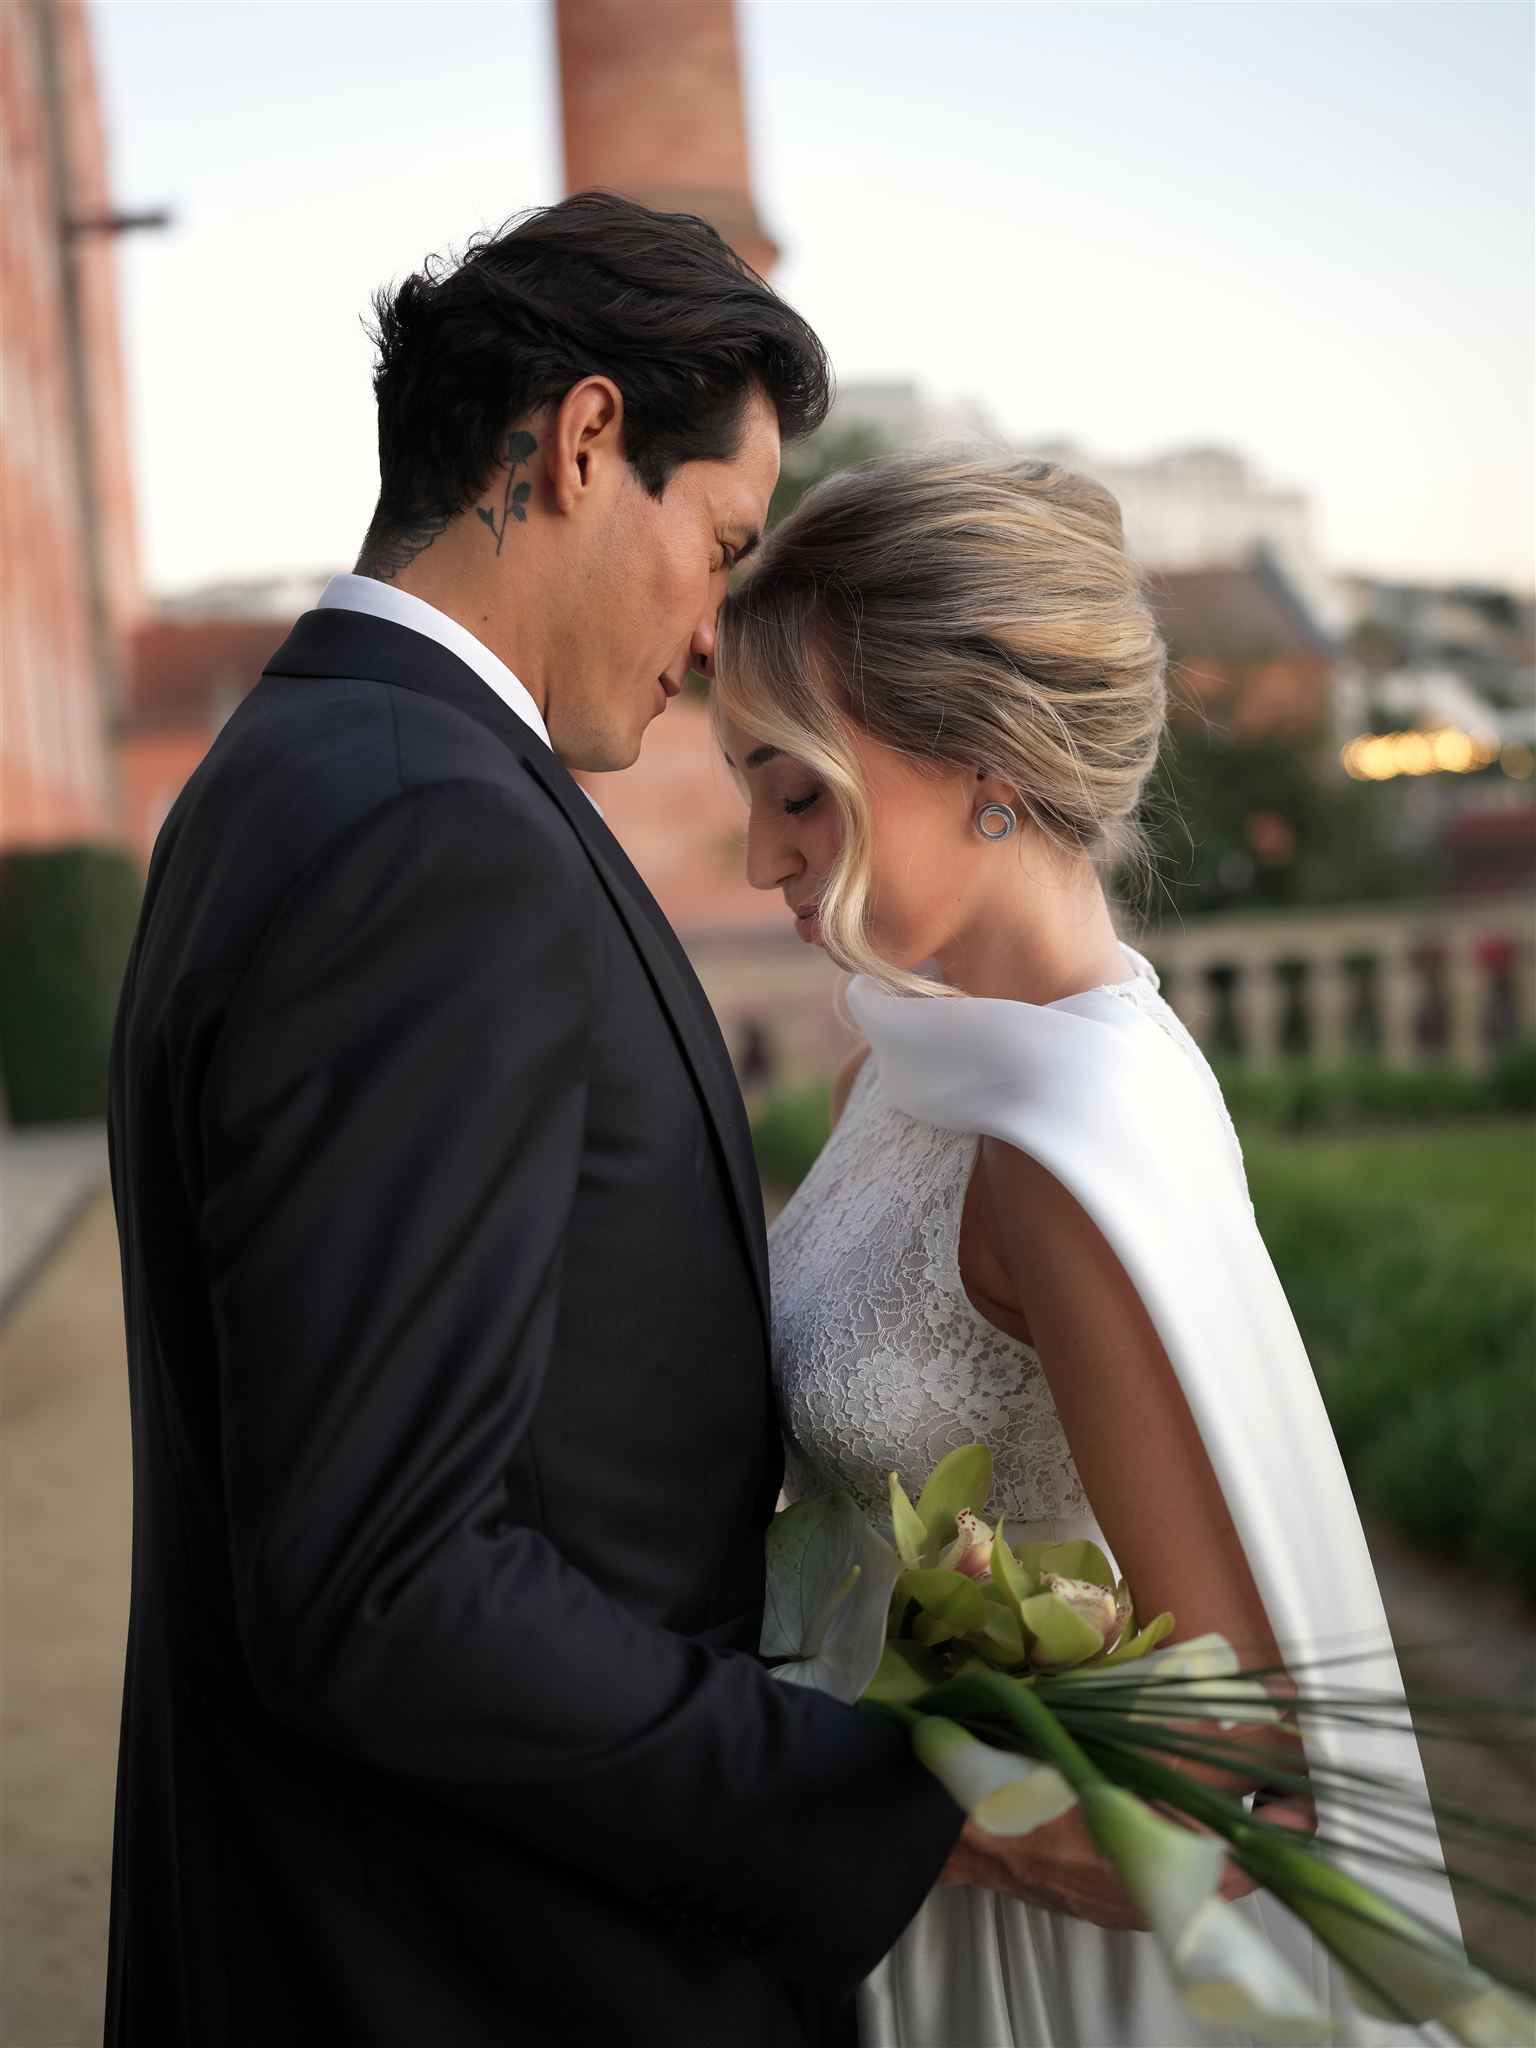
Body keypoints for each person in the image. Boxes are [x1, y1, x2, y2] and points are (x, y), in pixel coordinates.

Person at [103, 194, 1164, 2048]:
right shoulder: (431, 833)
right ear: (586, 444)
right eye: (724, 538)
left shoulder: (287, 770)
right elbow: (387, 1583)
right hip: (481, 1967)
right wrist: (917, 1814)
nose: (714, 624)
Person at [712, 450, 1457, 2047]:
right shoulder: (898, 1064)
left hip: (1037, 1969)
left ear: (979, 754)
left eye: (794, 787)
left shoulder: (1058, 1149)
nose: (762, 855)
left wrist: (836, 1796)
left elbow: (1228, 1786)